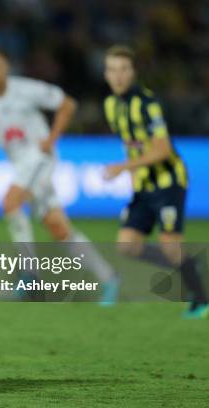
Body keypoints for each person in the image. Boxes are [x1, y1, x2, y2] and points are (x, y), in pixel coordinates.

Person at [0, 49, 118, 303]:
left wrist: (52, 138)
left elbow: (67, 104)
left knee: (10, 202)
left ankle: (29, 274)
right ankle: (109, 277)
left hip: (40, 157)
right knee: (58, 228)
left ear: (6, 67)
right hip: (20, 163)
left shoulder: (27, 89)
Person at [102, 45, 208, 319]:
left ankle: (201, 298)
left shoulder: (147, 104)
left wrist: (123, 167)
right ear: (106, 74)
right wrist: (134, 176)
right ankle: (187, 264)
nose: (119, 76)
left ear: (133, 72)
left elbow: (163, 149)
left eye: (124, 69)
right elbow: (131, 144)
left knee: (170, 243)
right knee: (127, 245)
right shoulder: (111, 105)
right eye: (113, 70)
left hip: (169, 181)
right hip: (145, 185)